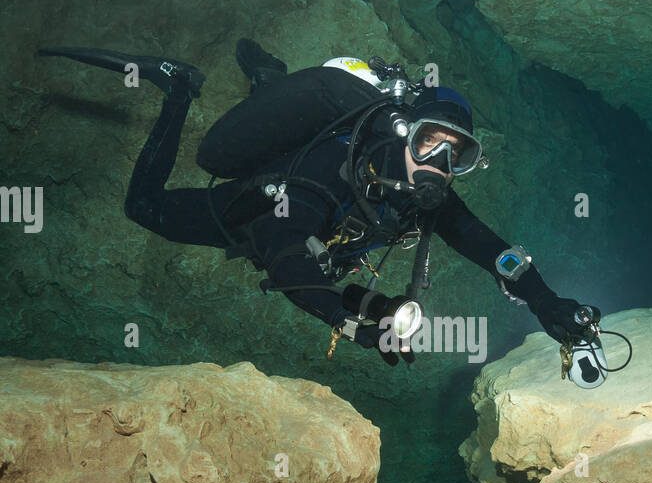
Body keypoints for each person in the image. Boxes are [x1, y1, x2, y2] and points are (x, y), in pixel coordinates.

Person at [37, 40, 600, 367]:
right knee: (143, 209)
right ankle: (179, 89)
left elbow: (493, 251)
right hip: (252, 214)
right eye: (431, 143)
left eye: (456, 155)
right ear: (406, 132)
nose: (438, 166)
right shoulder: (330, 171)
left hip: (313, 241)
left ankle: (268, 82)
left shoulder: (424, 197)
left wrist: (548, 302)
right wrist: (350, 326)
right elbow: (287, 256)